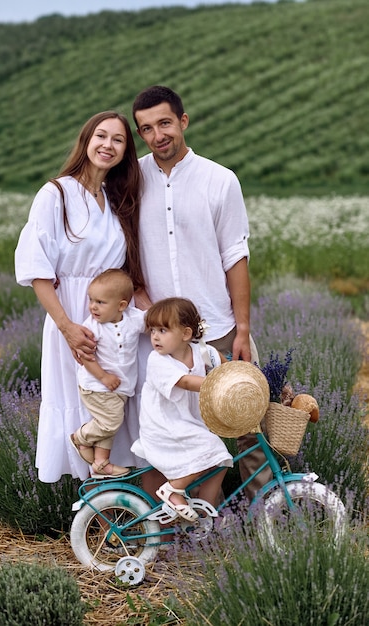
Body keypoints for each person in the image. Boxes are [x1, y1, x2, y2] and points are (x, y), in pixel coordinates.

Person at [132, 85, 271, 501]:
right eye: (147, 128)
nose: (158, 136)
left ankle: (267, 514)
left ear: (183, 121)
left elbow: (235, 257)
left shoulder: (220, 180)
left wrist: (243, 328)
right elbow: (124, 248)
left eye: (165, 123)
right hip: (162, 339)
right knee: (165, 433)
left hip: (219, 327)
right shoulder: (132, 180)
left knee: (248, 428)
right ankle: (165, 527)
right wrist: (141, 294)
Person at [15, 111, 145, 483]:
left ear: (125, 151)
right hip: (71, 311)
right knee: (79, 397)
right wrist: (68, 327)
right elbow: (37, 269)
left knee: (115, 398)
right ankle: (88, 500)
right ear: (86, 141)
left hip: (113, 320)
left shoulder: (114, 199)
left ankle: (112, 501)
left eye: (118, 140)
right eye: (101, 136)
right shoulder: (56, 193)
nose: (108, 145)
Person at [131, 297, 233, 521]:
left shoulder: (204, 353)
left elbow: (229, 367)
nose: (155, 336)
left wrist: (242, 379)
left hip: (188, 425)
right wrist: (221, 384)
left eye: (163, 330)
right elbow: (185, 382)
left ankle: (204, 514)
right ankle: (172, 489)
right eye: (153, 330)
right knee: (212, 446)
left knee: (221, 460)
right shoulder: (157, 360)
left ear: (186, 334)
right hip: (164, 427)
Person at [69, 269, 145, 479]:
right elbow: (86, 358)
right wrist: (103, 376)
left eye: (100, 302)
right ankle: (81, 437)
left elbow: (153, 321)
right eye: (91, 300)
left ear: (121, 306)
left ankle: (101, 463)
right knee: (110, 421)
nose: (92, 306)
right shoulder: (92, 327)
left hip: (120, 388)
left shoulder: (133, 319)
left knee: (109, 423)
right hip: (97, 386)